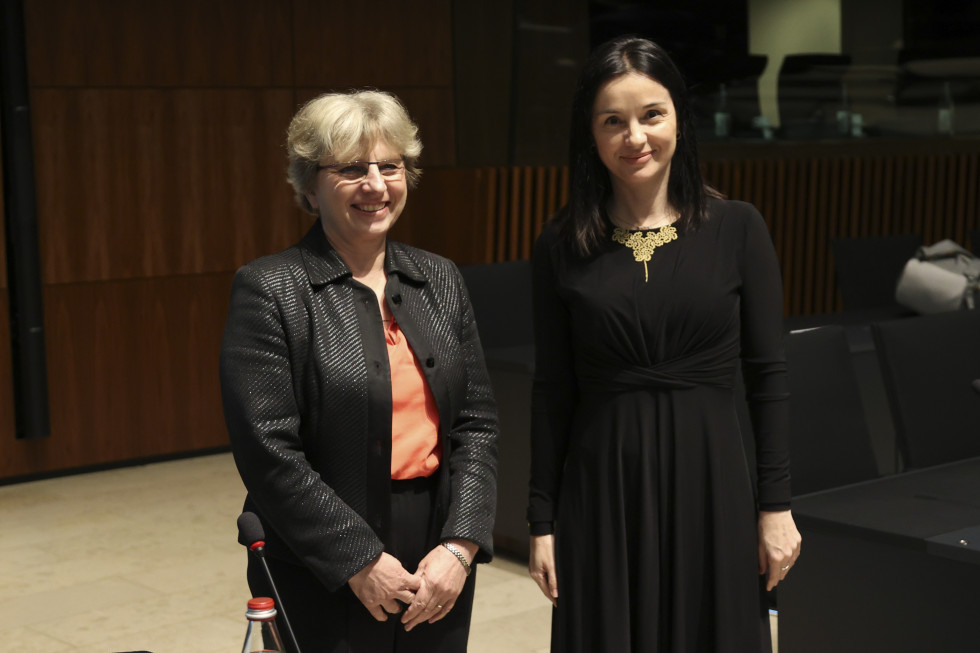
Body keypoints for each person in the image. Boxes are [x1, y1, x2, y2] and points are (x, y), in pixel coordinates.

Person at [526, 36, 802, 652]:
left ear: (679, 117)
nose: (635, 137)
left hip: (714, 482)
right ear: (590, 136)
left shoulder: (738, 228)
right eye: (613, 122)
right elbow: (553, 388)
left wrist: (776, 507)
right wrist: (542, 521)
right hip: (601, 488)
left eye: (652, 115)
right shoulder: (560, 243)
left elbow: (769, 376)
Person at [221, 89, 499, 653]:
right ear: (309, 183)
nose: (376, 184)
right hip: (320, 554)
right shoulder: (270, 289)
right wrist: (359, 558)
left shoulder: (440, 277)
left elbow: (477, 424)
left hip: (436, 553)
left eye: (389, 166)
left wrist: (460, 545)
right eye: (351, 169)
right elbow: (267, 450)